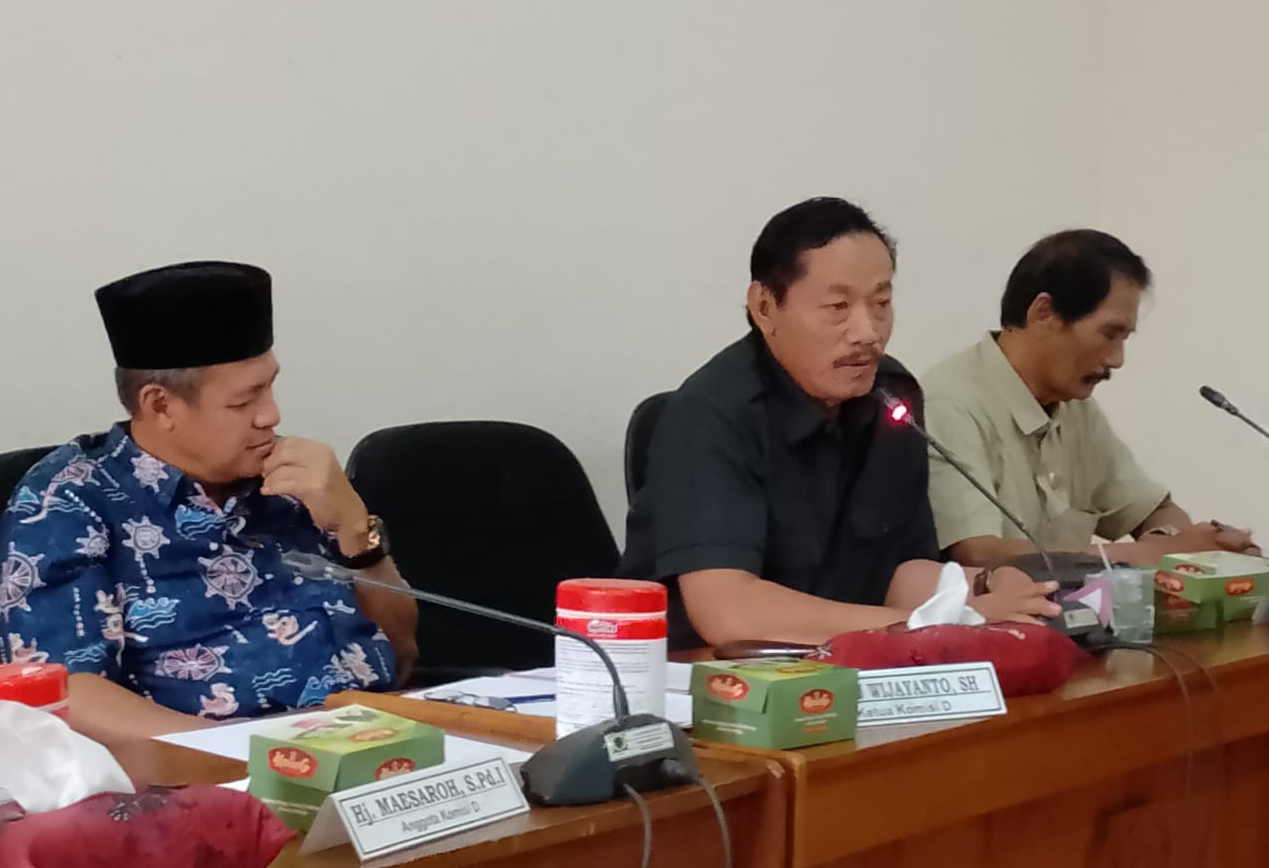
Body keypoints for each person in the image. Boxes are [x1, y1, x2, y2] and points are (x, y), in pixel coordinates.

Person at [0, 261, 418, 747]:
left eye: (270, 386)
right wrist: (247, 753)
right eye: (244, 402)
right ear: (161, 406)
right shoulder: (69, 501)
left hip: (381, 741)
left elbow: (403, 653)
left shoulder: (292, 479)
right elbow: (65, 691)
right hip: (219, 774)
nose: (271, 415)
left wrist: (355, 530)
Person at [619, 197, 1058, 650]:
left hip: (840, 663)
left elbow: (900, 571)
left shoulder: (891, 397)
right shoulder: (710, 415)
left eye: (881, 303)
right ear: (765, 307)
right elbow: (730, 612)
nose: (867, 332)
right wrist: (931, 624)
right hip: (705, 674)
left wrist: (981, 586)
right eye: (837, 306)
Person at [924, 229, 1257, 567]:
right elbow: (977, 553)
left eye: (1124, 338)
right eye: (1110, 334)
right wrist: (1144, 554)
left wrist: (1169, 540)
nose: (1117, 360)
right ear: (1044, 313)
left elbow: (1155, 509)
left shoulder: (1074, 406)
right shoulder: (950, 403)